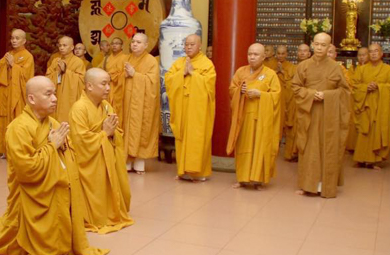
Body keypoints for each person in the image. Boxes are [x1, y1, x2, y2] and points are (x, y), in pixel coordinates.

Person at [0, 76, 109, 255]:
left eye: (54, 93)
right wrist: (52, 147)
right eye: (48, 94)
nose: (55, 98)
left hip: (57, 191)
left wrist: (61, 148)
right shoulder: (18, 129)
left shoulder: (52, 123)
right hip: (32, 197)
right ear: (31, 99)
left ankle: (60, 243)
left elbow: (68, 157)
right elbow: (26, 170)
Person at [69, 68, 134, 233]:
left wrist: (111, 133)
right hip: (89, 163)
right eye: (103, 84)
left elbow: (116, 132)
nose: (108, 88)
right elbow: (80, 141)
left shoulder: (106, 106)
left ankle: (111, 211)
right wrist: (105, 133)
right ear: (89, 86)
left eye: (109, 84)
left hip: (107, 158)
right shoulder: (79, 108)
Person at [292, 32, 350, 198]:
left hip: (329, 115)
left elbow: (345, 91)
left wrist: (327, 95)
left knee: (328, 147)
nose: (319, 48)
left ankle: (326, 185)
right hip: (309, 112)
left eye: (323, 45)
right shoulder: (303, 66)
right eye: (316, 44)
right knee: (309, 148)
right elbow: (295, 87)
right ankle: (307, 184)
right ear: (312, 44)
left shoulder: (335, 67)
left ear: (329, 47)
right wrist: (311, 94)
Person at [227, 43, 281, 189]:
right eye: (250, 54)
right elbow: (232, 90)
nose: (252, 57)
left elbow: (276, 96)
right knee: (243, 147)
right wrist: (239, 91)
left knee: (260, 147)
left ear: (264, 57)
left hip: (261, 118)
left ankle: (258, 179)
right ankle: (242, 178)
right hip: (244, 117)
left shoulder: (270, 74)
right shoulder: (240, 71)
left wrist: (260, 95)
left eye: (256, 54)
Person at [165, 34, 216, 182]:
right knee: (181, 137)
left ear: (200, 46)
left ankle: (198, 173)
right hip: (182, 107)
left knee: (197, 138)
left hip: (198, 109)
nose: (188, 47)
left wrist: (193, 74)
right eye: (186, 44)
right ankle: (182, 170)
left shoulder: (207, 64)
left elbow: (209, 86)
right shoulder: (179, 63)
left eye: (192, 44)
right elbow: (168, 79)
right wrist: (182, 73)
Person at [352, 43, 390, 169]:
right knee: (364, 131)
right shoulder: (361, 69)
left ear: (381, 53)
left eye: (376, 51)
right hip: (365, 105)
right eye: (370, 51)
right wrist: (365, 87)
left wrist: (379, 86)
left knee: (378, 131)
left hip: (381, 107)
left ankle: (375, 160)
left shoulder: (387, 69)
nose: (373, 54)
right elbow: (354, 86)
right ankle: (361, 158)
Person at [120, 33, 160, 174]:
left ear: (146, 45)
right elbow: (117, 79)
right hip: (128, 102)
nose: (135, 44)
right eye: (133, 42)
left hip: (143, 104)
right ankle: (127, 161)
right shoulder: (127, 59)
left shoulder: (151, 61)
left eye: (138, 42)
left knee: (141, 129)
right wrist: (124, 75)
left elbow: (153, 83)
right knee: (127, 128)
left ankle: (139, 162)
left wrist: (134, 75)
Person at [0, 29, 35, 156]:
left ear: (24, 40)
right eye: (12, 38)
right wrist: (6, 65)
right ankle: (4, 149)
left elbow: (27, 75)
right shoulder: (8, 54)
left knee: (18, 121)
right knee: (4, 120)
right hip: (6, 92)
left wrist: (13, 65)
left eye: (17, 38)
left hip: (18, 94)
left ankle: (17, 150)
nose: (14, 40)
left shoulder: (27, 56)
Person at [46, 36, 86, 122]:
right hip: (56, 94)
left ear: (72, 47)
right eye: (60, 45)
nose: (61, 48)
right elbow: (47, 77)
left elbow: (82, 81)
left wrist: (66, 71)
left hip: (68, 96)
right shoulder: (55, 61)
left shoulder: (78, 62)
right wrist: (57, 73)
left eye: (64, 45)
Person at [284, 43, 313, 161]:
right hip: (293, 101)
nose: (302, 53)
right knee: (292, 127)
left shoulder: (312, 67)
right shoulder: (292, 67)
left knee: (305, 127)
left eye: (305, 51)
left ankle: (303, 153)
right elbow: (288, 84)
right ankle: (292, 153)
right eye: (300, 51)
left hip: (306, 101)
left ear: (309, 54)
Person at [346, 47, 370, 151]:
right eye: (359, 55)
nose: (361, 57)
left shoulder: (372, 69)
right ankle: (353, 146)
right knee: (353, 123)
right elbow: (350, 83)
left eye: (364, 55)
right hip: (355, 98)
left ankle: (365, 148)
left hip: (368, 100)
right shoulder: (353, 69)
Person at [105, 37, 129, 121]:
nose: (114, 45)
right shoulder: (107, 58)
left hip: (120, 88)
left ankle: (119, 127)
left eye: (117, 43)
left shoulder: (126, 58)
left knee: (119, 109)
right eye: (112, 43)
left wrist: (113, 76)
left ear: (121, 46)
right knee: (107, 107)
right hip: (108, 86)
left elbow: (126, 73)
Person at [275, 44, 296, 138]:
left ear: (287, 54)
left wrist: (283, 72)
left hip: (288, 97)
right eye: (278, 53)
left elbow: (293, 83)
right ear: (276, 54)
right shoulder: (271, 65)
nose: (280, 56)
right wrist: (276, 71)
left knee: (287, 117)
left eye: (283, 53)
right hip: (276, 97)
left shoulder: (292, 67)